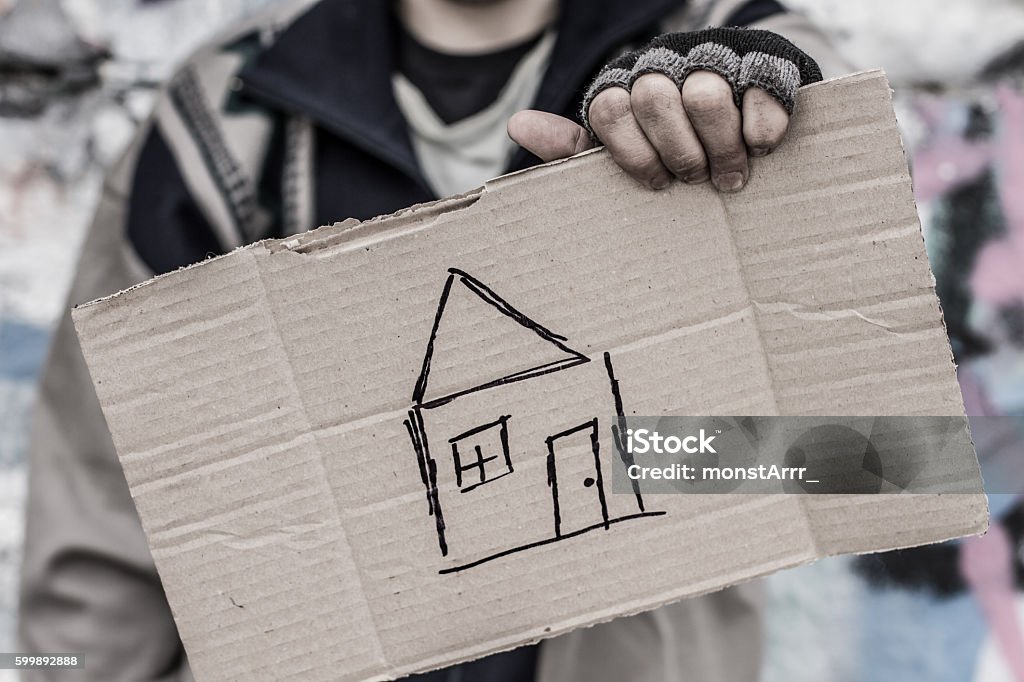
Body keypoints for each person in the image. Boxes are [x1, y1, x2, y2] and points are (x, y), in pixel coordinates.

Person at [18, 0, 848, 680]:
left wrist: (731, 105)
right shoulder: (227, 117)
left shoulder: (712, 44)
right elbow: (109, 502)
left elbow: (842, 432)